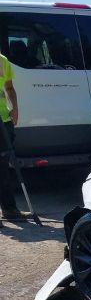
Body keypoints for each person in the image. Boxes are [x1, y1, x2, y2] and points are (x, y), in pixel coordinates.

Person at [0, 51, 24, 221]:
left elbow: (8, 87)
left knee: (3, 166)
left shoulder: (2, 60)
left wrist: (15, 108)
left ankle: (9, 209)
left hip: (3, 119)